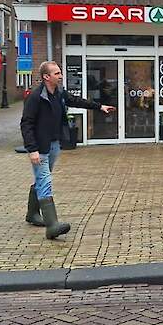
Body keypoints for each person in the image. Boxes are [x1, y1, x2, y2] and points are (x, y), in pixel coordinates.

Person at [21, 61, 114, 240]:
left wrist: (99, 107)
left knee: (42, 178)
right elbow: (26, 124)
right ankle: (52, 226)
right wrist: (32, 149)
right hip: (40, 147)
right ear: (46, 77)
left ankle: (32, 214)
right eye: (56, 73)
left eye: (60, 72)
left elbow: (76, 100)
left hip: (54, 144)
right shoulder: (35, 97)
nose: (61, 76)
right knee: (45, 180)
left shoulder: (59, 93)